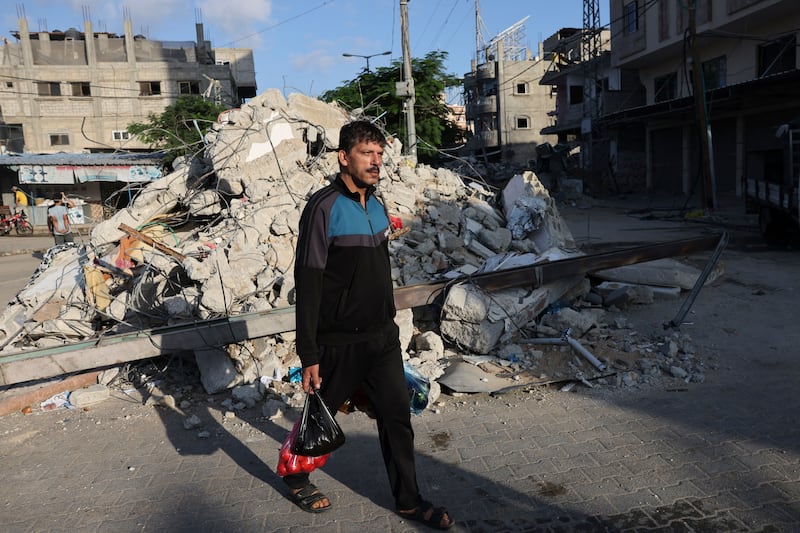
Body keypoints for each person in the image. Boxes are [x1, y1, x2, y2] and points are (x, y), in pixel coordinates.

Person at [287, 120, 454, 529]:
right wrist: (308, 352)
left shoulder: (376, 204)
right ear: (344, 157)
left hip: (382, 338)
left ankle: (409, 500)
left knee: (397, 417)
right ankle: (295, 472)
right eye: (367, 154)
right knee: (322, 413)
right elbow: (308, 282)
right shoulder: (323, 208)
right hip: (339, 342)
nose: (376, 162)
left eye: (379, 154)